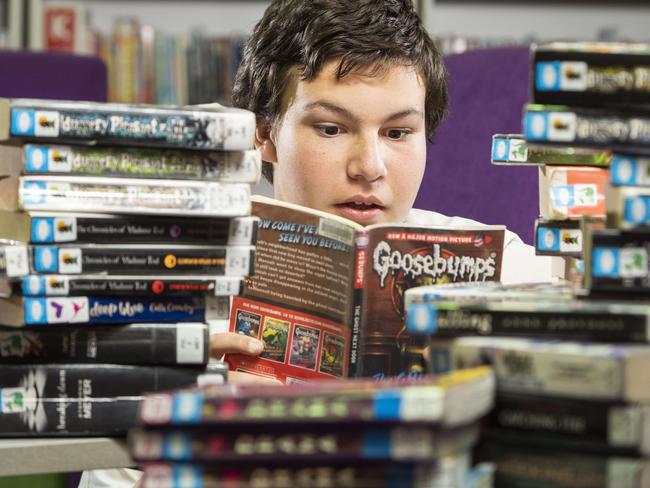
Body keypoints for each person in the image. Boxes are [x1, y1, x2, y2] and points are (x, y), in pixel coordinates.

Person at [80, 0, 552, 485]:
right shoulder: (169, 300)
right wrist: (176, 433)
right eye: (331, 128)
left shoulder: (507, 269)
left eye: (398, 132)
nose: (369, 166)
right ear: (264, 132)